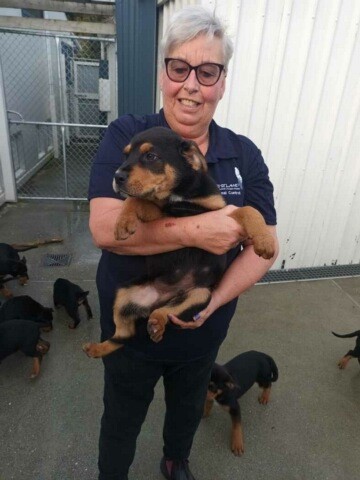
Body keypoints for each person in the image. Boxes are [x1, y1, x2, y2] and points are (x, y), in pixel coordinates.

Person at [88, 6, 279, 480]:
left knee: (187, 410)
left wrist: (213, 303)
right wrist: (200, 230)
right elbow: (104, 227)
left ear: (221, 82)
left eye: (207, 71)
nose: (192, 84)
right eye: (180, 67)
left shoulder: (242, 154)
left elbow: (264, 244)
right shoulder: (128, 136)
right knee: (121, 420)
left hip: (200, 331)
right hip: (131, 331)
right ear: (164, 73)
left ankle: (176, 464)